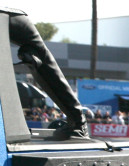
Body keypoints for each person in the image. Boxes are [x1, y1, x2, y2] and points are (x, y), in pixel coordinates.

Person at [8, 9, 88, 139]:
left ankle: (78, 121)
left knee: (38, 54)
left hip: (10, 20)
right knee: (37, 52)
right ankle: (77, 121)